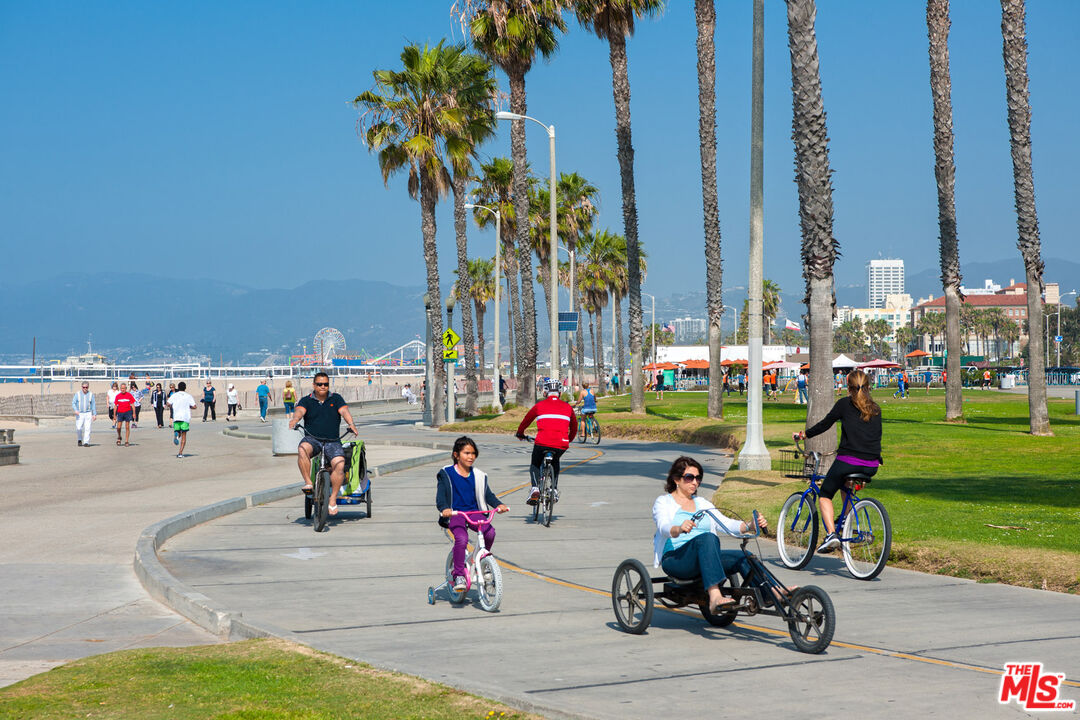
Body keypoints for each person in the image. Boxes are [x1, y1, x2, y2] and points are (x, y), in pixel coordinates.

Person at [652, 456, 776, 614]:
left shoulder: (702, 503)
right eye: (689, 478)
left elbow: (726, 524)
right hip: (676, 560)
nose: (695, 482)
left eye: (698, 478)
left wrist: (750, 525)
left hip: (704, 556)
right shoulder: (664, 502)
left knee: (745, 557)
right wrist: (678, 528)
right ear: (676, 479)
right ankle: (715, 596)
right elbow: (663, 526)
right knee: (707, 538)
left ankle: (772, 593)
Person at [795, 369, 883, 554]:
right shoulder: (875, 408)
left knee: (825, 494)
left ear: (848, 387)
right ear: (868, 386)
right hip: (872, 464)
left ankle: (831, 535)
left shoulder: (844, 404)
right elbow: (876, 435)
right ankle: (845, 522)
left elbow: (826, 423)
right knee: (846, 486)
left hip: (849, 461)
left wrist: (805, 435)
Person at [435, 436, 509, 592]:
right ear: (456, 455)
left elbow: (488, 495)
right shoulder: (446, 473)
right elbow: (441, 495)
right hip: (456, 513)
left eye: (473, 453)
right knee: (461, 539)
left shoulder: (479, 475)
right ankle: (459, 574)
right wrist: (444, 509)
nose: (470, 457)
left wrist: (498, 505)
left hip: (475, 512)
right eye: (466, 453)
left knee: (490, 533)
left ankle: (483, 563)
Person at [289, 371, 359, 516]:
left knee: (339, 464)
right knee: (302, 448)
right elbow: (299, 411)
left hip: (332, 441)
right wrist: (295, 420)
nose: (323, 387)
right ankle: (308, 483)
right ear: (314, 385)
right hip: (312, 439)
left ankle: (332, 499)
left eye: (325, 384)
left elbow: (344, 411)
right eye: (319, 384)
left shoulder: (336, 398)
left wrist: (351, 424)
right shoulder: (306, 400)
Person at [515, 379, 576, 506]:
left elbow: (526, 420)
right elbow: (574, 428)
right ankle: (553, 489)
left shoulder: (539, 406)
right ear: (559, 392)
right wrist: (567, 439)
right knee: (555, 461)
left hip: (542, 442)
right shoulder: (568, 407)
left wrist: (520, 433)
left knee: (535, 463)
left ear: (545, 391)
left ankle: (535, 489)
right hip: (561, 443)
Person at [167, 382, 198, 458]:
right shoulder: (188, 396)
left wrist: (172, 405)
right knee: (184, 435)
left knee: (178, 430)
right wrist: (189, 407)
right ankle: (180, 453)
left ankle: (177, 435)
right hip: (185, 417)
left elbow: (168, 403)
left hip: (176, 417)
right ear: (185, 388)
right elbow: (194, 406)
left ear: (178, 387)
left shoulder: (174, 395)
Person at [71, 382, 97, 446]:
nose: (85, 388)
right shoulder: (77, 394)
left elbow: (93, 405)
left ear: (88, 387)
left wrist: (94, 414)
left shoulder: (91, 394)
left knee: (87, 428)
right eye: (83, 387)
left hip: (88, 413)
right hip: (80, 413)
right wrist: (76, 410)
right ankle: (79, 439)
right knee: (79, 427)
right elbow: (73, 403)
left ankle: (86, 442)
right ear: (81, 387)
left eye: (86, 387)